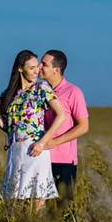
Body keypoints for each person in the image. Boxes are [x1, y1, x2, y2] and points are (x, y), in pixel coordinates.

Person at [0, 50, 67, 211]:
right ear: (20, 68)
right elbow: (10, 129)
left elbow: (61, 115)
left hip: (36, 151)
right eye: (31, 68)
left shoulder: (42, 88)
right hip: (16, 152)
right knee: (15, 203)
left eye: (38, 67)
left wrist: (42, 143)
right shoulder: (11, 95)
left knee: (37, 201)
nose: (37, 71)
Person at [38, 50, 89, 201]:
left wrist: (54, 142)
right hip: (41, 158)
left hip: (64, 161)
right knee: (41, 208)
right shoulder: (39, 91)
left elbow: (83, 127)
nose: (39, 66)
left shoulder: (73, 92)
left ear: (56, 69)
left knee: (63, 208)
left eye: (44, 64)